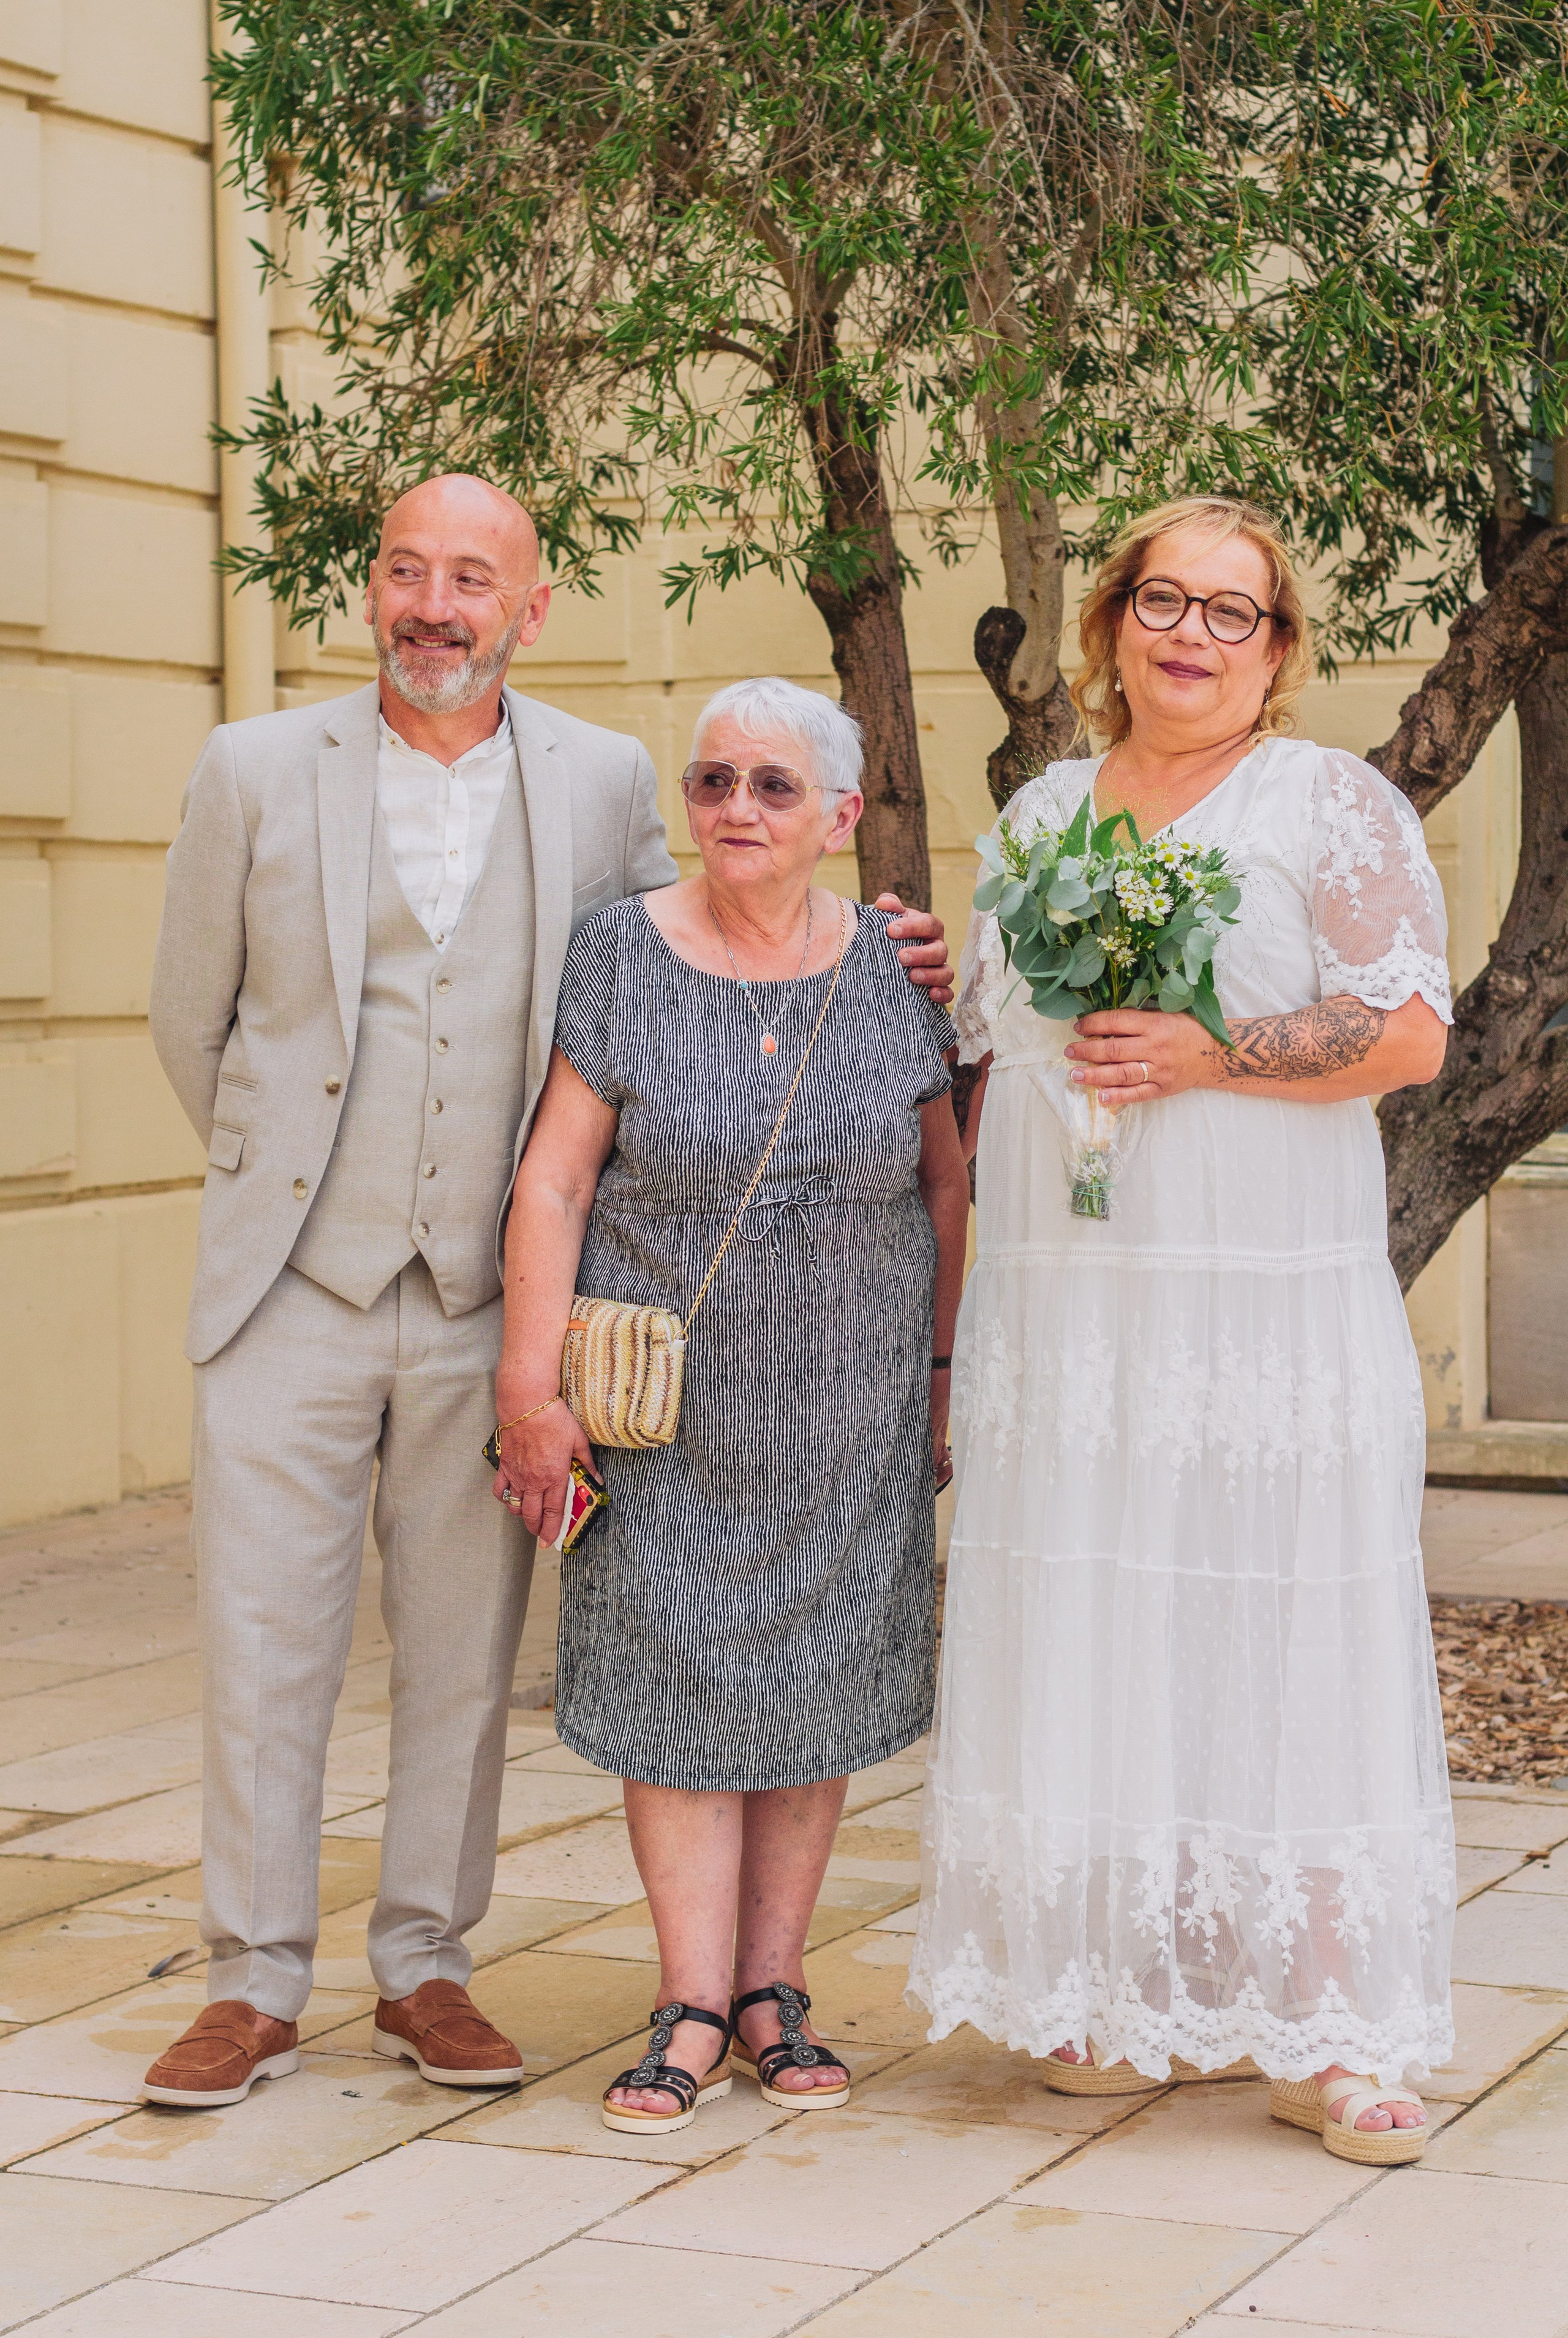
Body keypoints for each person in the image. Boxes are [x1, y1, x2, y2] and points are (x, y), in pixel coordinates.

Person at [143, 481, 952, 2109]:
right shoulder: (251, 769)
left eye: (471, 578)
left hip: (490, 1300)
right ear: (373, 591)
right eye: (405, 572)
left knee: (462, 1648)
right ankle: (249, 1981)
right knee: (263, 1632)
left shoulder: (597, 778)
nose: (433, 604)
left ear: (532, 602)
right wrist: (291, 1191)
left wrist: (885, 947)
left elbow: (694, 942)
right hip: (292, 1283)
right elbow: (191, 1018)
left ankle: (427, 1965)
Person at [913, 494, 1455, 2168]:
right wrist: (919, 960)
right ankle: (1121, 1983)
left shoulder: (1331, 803)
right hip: (1080, 1312)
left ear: (1281, 648)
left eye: (1235, 613)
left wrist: (1216, 1054)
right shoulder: (1044, 815)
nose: (1193, 637)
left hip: (1262, 1308)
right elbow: (991, 1041)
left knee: (1285, 1616)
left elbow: (1413, 1033)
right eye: (1166, 601)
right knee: (1099, 1604)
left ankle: (1327, 2020)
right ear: (1113, 623)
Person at [495, 677, 971, 2135]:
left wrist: (945, 1376)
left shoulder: (898, 968)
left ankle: (775, 1992)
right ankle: (689, 2002)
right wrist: (528, 1384)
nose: (735, 810)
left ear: (837, 817)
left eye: (772, 786)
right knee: (671, 1694)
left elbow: (947, 1184)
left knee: (814, 1691)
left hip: (852, 1402)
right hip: (660, 1413)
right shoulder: (621, 955)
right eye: (712, 782)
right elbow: (557, 1176)